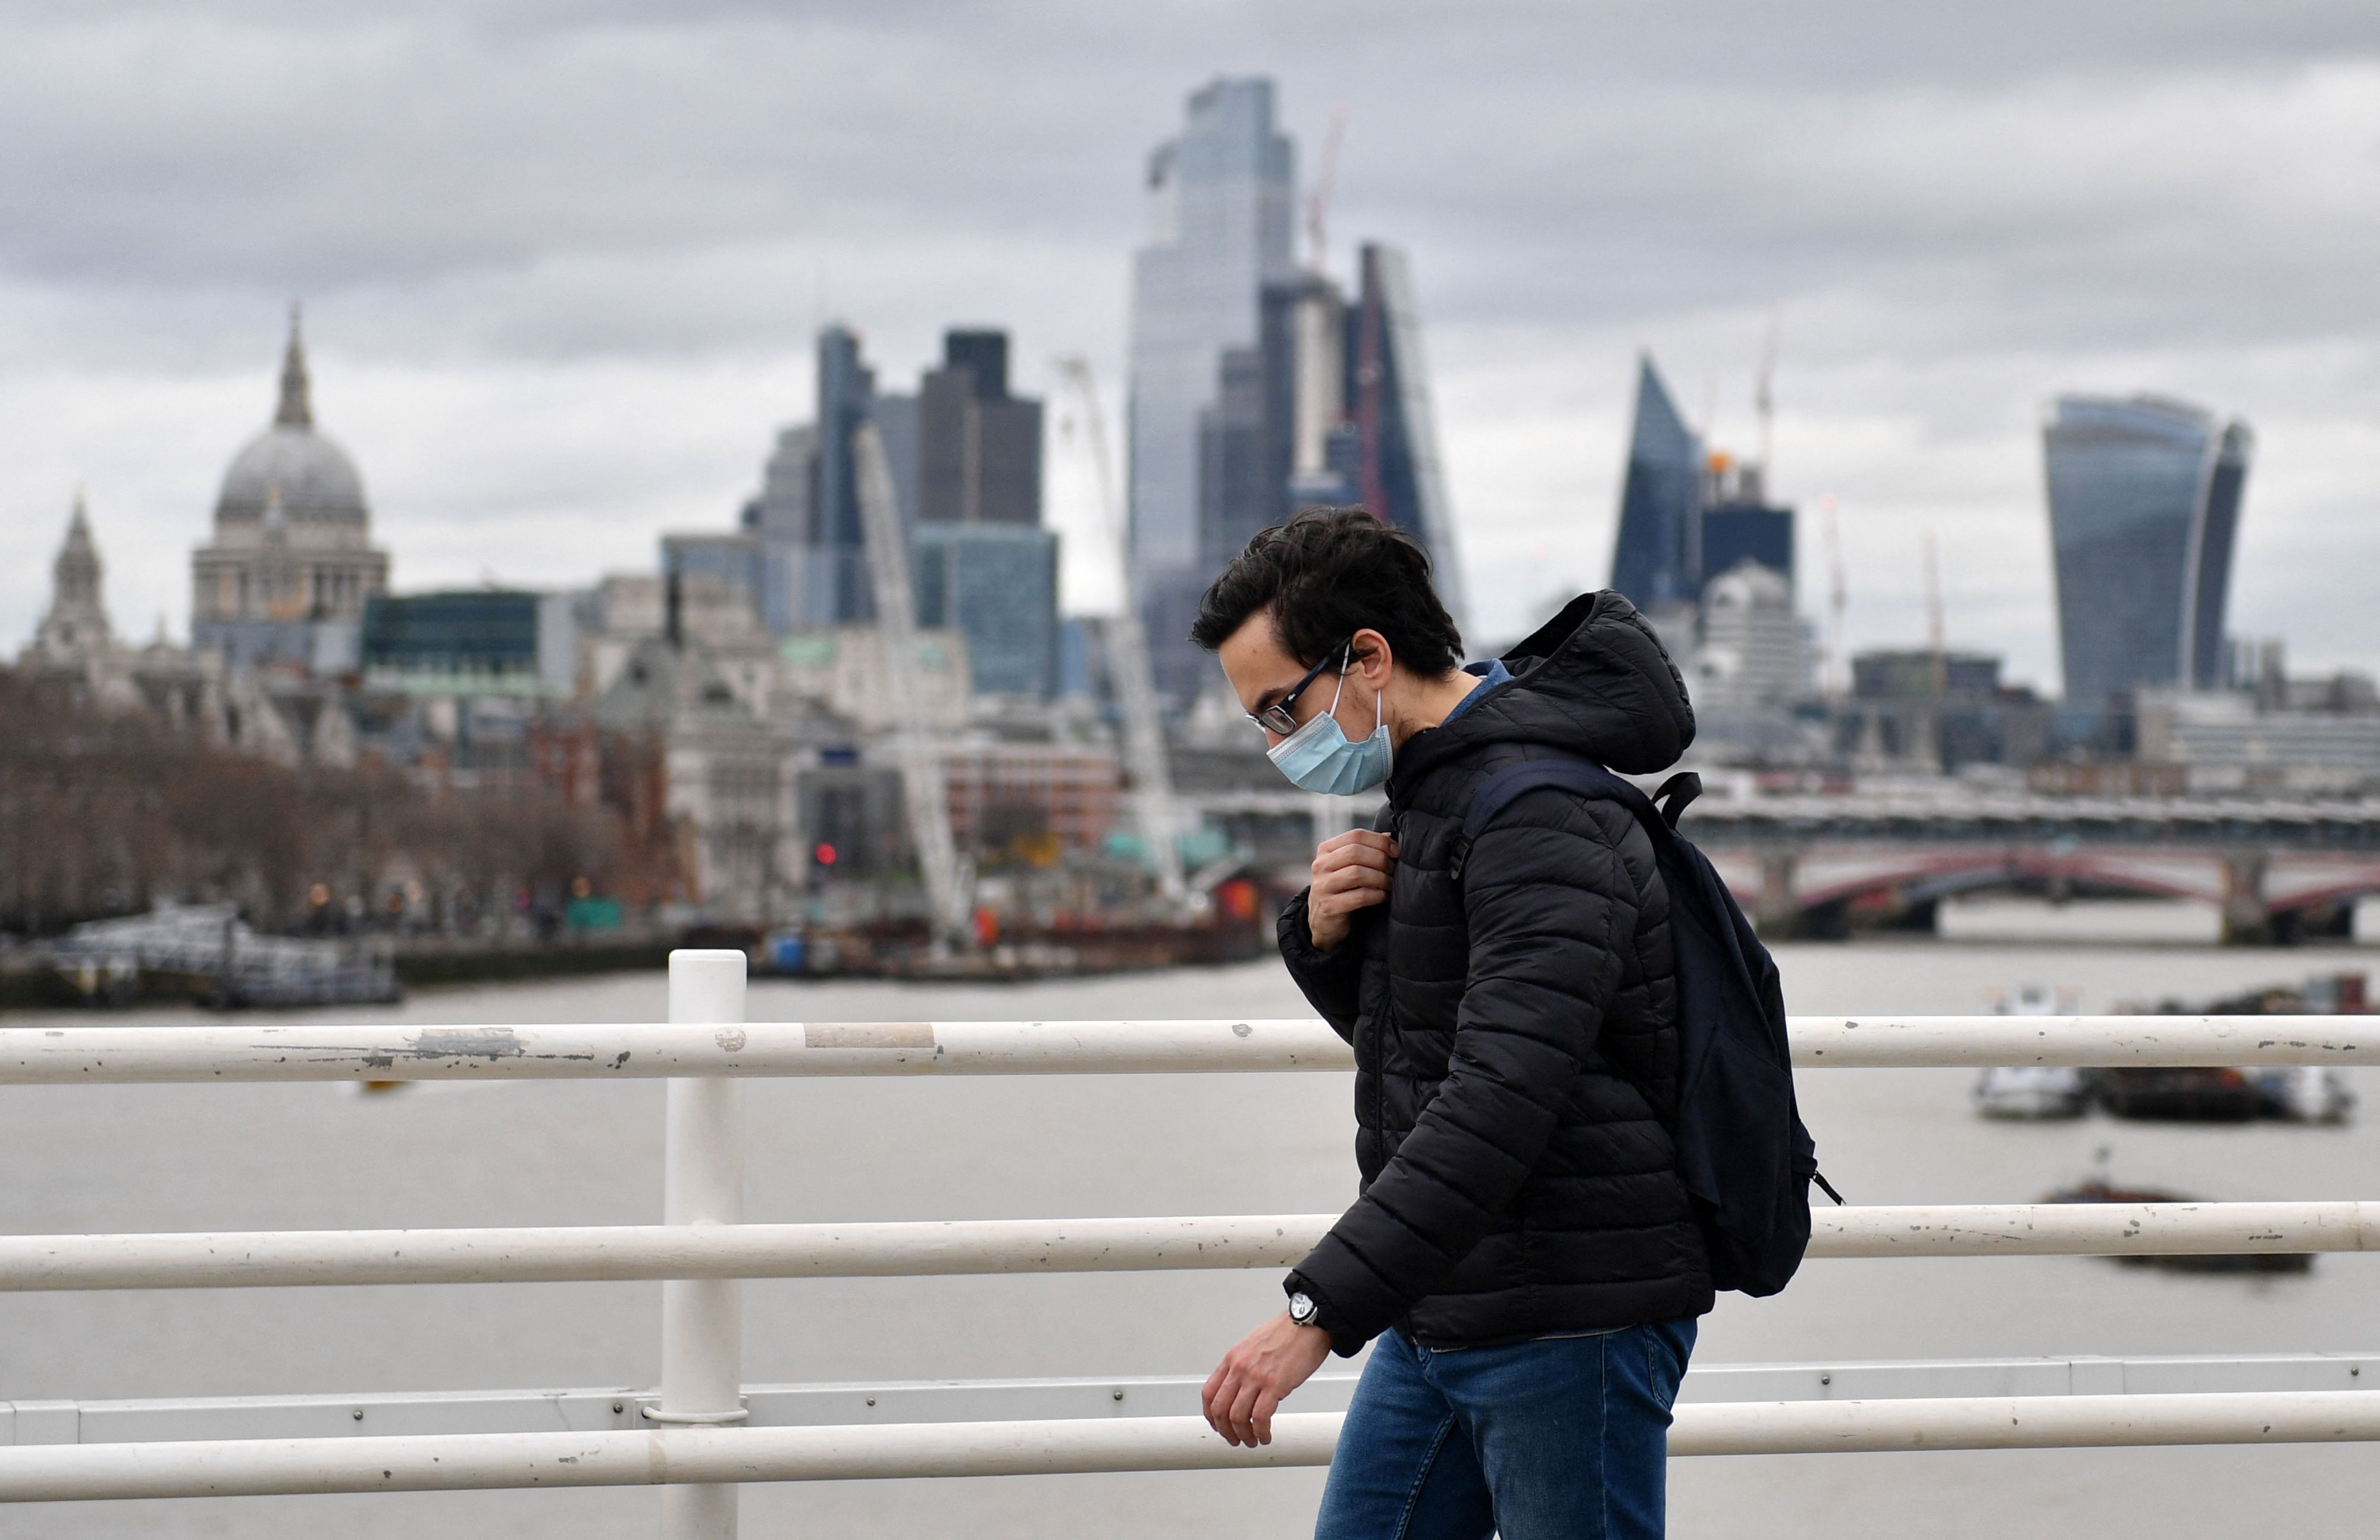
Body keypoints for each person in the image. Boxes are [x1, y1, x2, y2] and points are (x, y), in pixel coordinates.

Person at [1190, 508, 1710, 1540]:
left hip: (1570, 1313)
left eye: (1282, 709)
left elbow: (1499, 1097)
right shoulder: (1436, 794)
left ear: (1369, 658)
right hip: (1444, 1297)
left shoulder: (1538, 815)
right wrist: (1326, 938)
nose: (1277, 745)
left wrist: (1316, 1314)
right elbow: (1426, 1050)